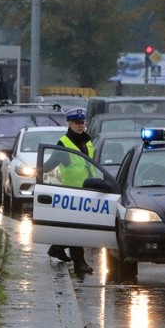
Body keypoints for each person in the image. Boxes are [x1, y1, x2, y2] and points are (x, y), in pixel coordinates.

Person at [47, 108, 96, 274]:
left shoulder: (87, 141)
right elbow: (49, 165)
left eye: (82, 122)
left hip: (89, 190)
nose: (80, 126)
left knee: (81, 228)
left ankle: (57, 248)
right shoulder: (64, 144)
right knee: (78, 230)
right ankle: (79, 262)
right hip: (73, 192)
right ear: (69, 123)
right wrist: (37, 171)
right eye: (77, 123)